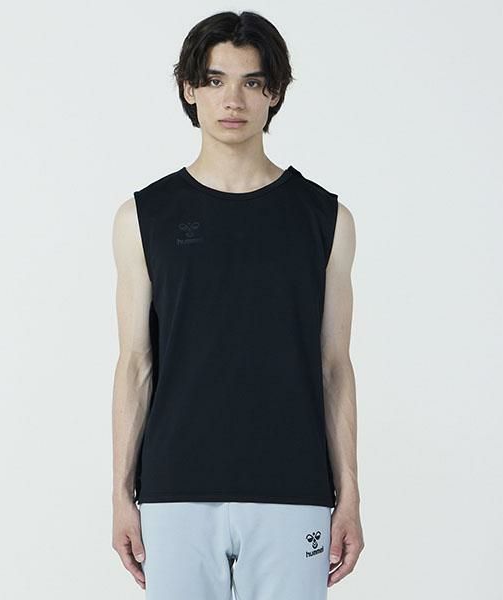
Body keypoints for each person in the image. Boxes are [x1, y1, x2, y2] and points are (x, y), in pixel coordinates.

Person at [111, 10, 363, 599]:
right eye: (215, 80)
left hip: (293, 486)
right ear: (189, 90)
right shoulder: (143, 217)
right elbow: (135, 364)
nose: (233, 99)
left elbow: (334, 367)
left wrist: (349, 493)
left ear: (274, 93)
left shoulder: (326, 218)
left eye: (252, 82)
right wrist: (121, 493)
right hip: (175, 487)